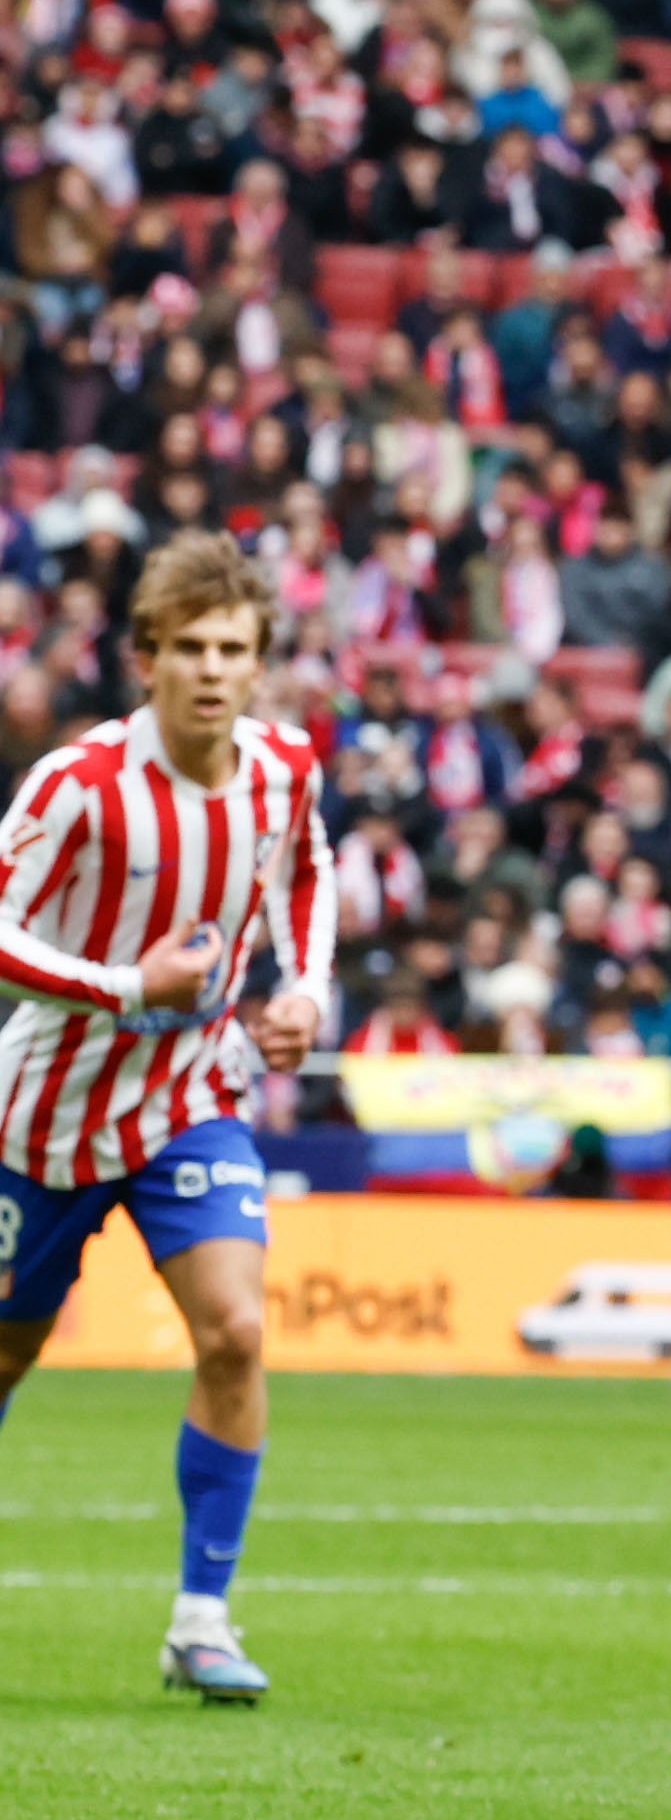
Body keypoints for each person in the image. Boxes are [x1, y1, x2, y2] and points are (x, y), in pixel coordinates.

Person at [0, 535, 332, 1704]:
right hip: (39, 1115)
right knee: (6, 1353)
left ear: (258, 664)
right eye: (186, 646)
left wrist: (304, 988)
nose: (209, 668)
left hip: (189, 1099)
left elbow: (306, 878)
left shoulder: (286, 770)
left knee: (237, 1331)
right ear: (145, 657)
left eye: (231, 649)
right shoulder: (77, 786)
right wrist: (130, 986)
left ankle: (202, 1617)